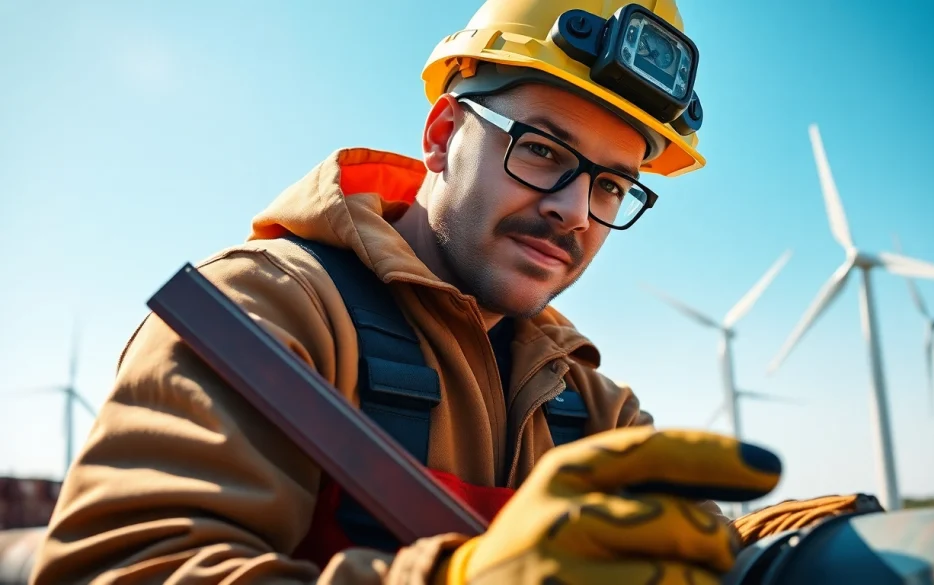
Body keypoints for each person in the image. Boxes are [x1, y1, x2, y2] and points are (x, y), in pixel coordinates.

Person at [29, 0, 877, 583]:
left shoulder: (583, 399)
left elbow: (691, 548)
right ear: (442, 135)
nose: (573, 211)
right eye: (543, 149)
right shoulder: (265, 316)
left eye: (613, 186)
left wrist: (846, 546)